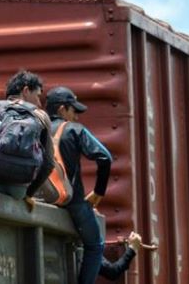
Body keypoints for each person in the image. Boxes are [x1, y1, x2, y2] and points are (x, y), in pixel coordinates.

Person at [45, 86, 112, 284]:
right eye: (74, 111)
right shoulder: (74, 130)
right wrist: (98, 192)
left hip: (39, 199)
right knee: (95, 245)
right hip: (72, 202)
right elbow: (105, 158)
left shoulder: (37, 125)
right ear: (62, 109)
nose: (77, 117)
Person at [0, 70, 54, 211]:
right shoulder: (41, 117)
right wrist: (28, 193)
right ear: (26, 90)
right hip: (18, 190)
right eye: (37, 96)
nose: (39, 103)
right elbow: (48, 164)